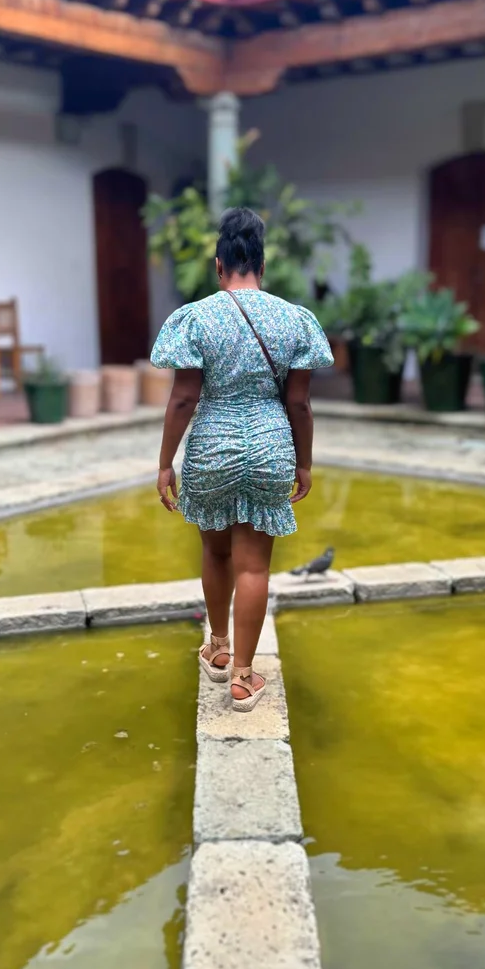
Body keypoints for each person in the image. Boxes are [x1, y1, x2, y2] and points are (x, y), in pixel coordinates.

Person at [151, 207, 333, 711]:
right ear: (262, 264)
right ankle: (244, 677)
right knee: (254, 568)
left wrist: (166, 462)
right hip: (271, 445)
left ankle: (217, 648)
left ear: (218, 265)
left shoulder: (196, 318)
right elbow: (299, 403)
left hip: (213, 445)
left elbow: (183, 398)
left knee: (216, 553)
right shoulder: (294, 320)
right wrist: (304, 463)